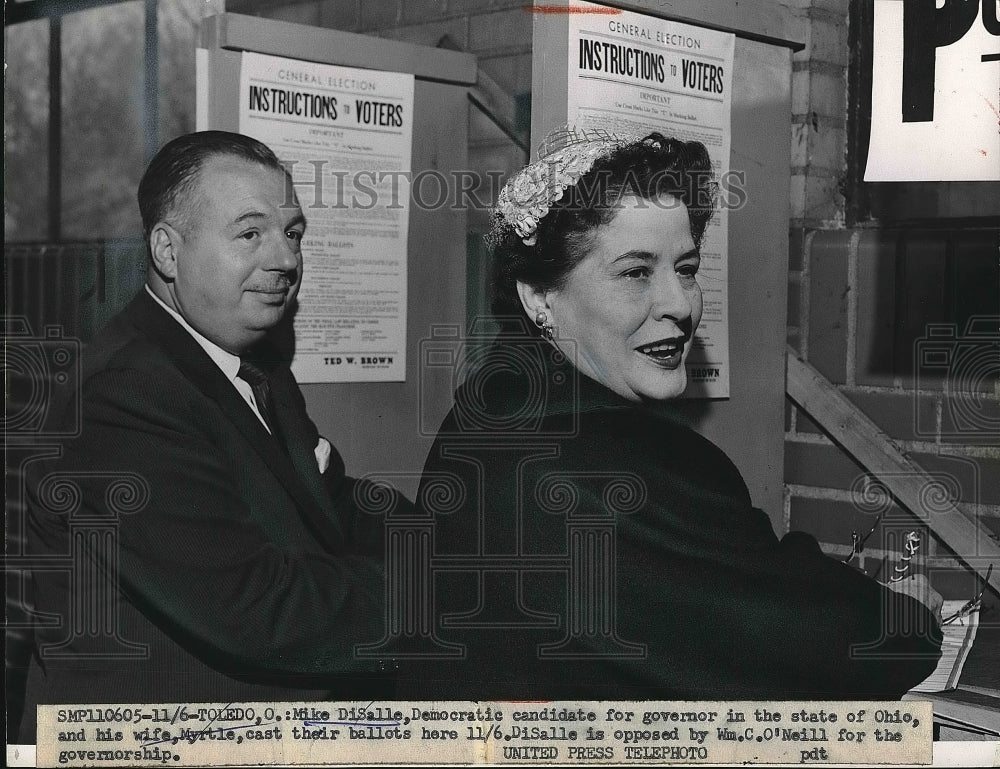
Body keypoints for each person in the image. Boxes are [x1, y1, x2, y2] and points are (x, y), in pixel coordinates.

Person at [400, 129, 943, 701]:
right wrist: (908, 618)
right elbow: (825, 643)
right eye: (635, 272)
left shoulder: (487, 413)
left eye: (685, 269)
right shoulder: (620, 464)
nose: (680, 304)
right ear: (539, 296)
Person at [19, 131, 399, 742]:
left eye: (292, 233)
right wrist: (457, 589)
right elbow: (259, 610)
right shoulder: (122, 397)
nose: (285, 260)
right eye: (250, 234)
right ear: (167, 252)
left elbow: (322, 496)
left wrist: (453, 530)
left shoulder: (251, 361)